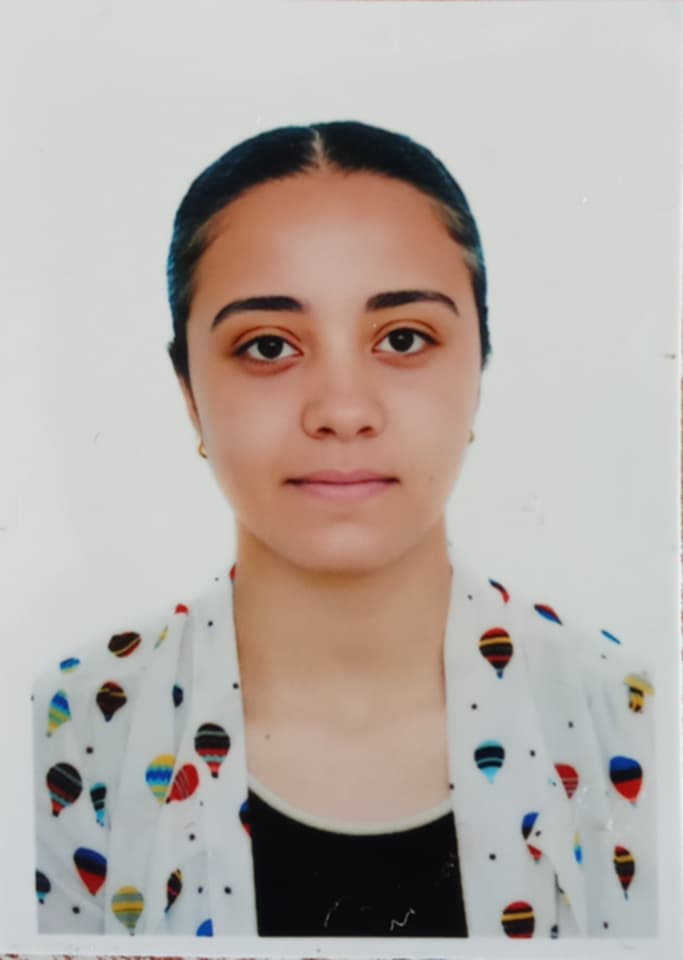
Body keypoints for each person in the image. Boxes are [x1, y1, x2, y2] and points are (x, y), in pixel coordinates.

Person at [32, 120, 655, 940]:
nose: (342, 410)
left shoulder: (636, 725)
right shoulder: (65, 737)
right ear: (188, 391)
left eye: (402, 339)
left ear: (479, 369)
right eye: (267, 346)